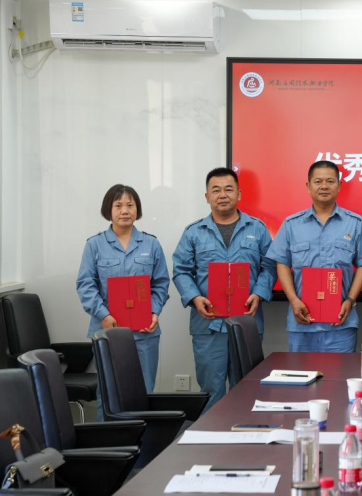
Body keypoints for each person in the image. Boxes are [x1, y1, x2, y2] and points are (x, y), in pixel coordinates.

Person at [172, 167, 276, 412]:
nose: (222, 195)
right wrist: (195, 298)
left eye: (229, 189)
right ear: (207, 196)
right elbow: (181, 270)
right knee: (211, 391)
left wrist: (259, 293)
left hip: (246, 322)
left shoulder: (257, 228)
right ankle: (211, 435)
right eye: (216, 190)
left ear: (239, 194)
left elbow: (270, 266)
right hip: (208, 325)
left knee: (246, 389)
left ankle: (243, 435)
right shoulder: (194, 232)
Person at [76, 184, 169, 420]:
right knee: (108, 393)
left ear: (137, 209)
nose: (124, 210)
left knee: (144, 391)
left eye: (130, 205)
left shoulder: (151, 244)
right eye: (118, 205)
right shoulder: (94, 244)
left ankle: (144, 441)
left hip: (145, 332)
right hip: (107, 331)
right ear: (108, 210)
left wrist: (154, 312)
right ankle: (107, 440)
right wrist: (103, 315)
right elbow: (85, 285)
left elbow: (160, 283)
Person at [266, 160, 362, 352]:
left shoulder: (355, 223)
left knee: (340, 372)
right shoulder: (291, 224)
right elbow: (282, 264)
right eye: (318, 181)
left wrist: (350, 300)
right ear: (308, 186)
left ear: (339, 185)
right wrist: (293, 300)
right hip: (301, 322)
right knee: (300, 371)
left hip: (341, 322)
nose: (324, 186)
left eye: (330, 181)